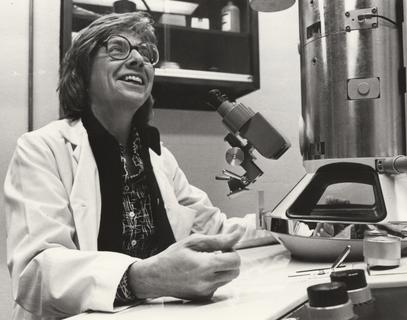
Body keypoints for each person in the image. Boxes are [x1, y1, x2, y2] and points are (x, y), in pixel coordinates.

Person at [4, 11, 268, 320]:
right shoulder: (41, 148)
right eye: (118, 48)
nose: (138, 60)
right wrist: (145, 277)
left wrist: (299, 223)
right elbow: (36, 273)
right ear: (83, 69)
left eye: (146, 52)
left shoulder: (158, 157)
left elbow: (215, 229)